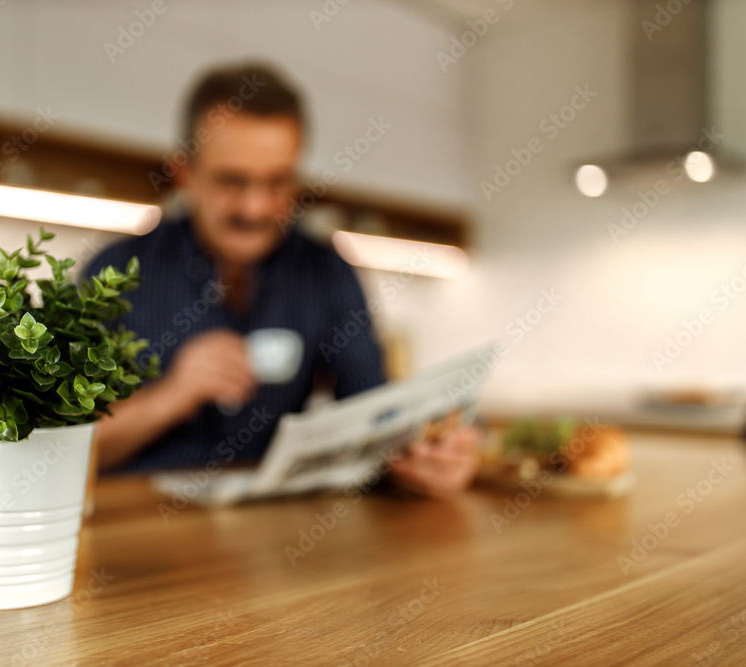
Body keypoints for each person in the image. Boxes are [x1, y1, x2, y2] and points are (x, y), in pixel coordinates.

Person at [81, 62, 479, 499]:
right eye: (232, 181)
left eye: (277, 182)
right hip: (135, 531)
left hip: (275, 535)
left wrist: (426, 460)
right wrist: (173, 394)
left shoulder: (326, 270)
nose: (255, 208)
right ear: (184, 173)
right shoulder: (114, 274)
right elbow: (60, 451)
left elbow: (374, 415)